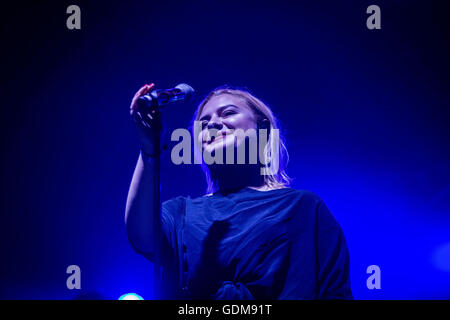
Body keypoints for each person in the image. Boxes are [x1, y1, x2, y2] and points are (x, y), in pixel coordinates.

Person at [125, 83, 353, 299]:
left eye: (227, 113)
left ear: (262, 128)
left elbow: (335, 292)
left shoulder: (304, 208)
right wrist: (149, 148)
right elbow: (141, 236)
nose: (212, 124)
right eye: (203, 123)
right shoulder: (182, 212)